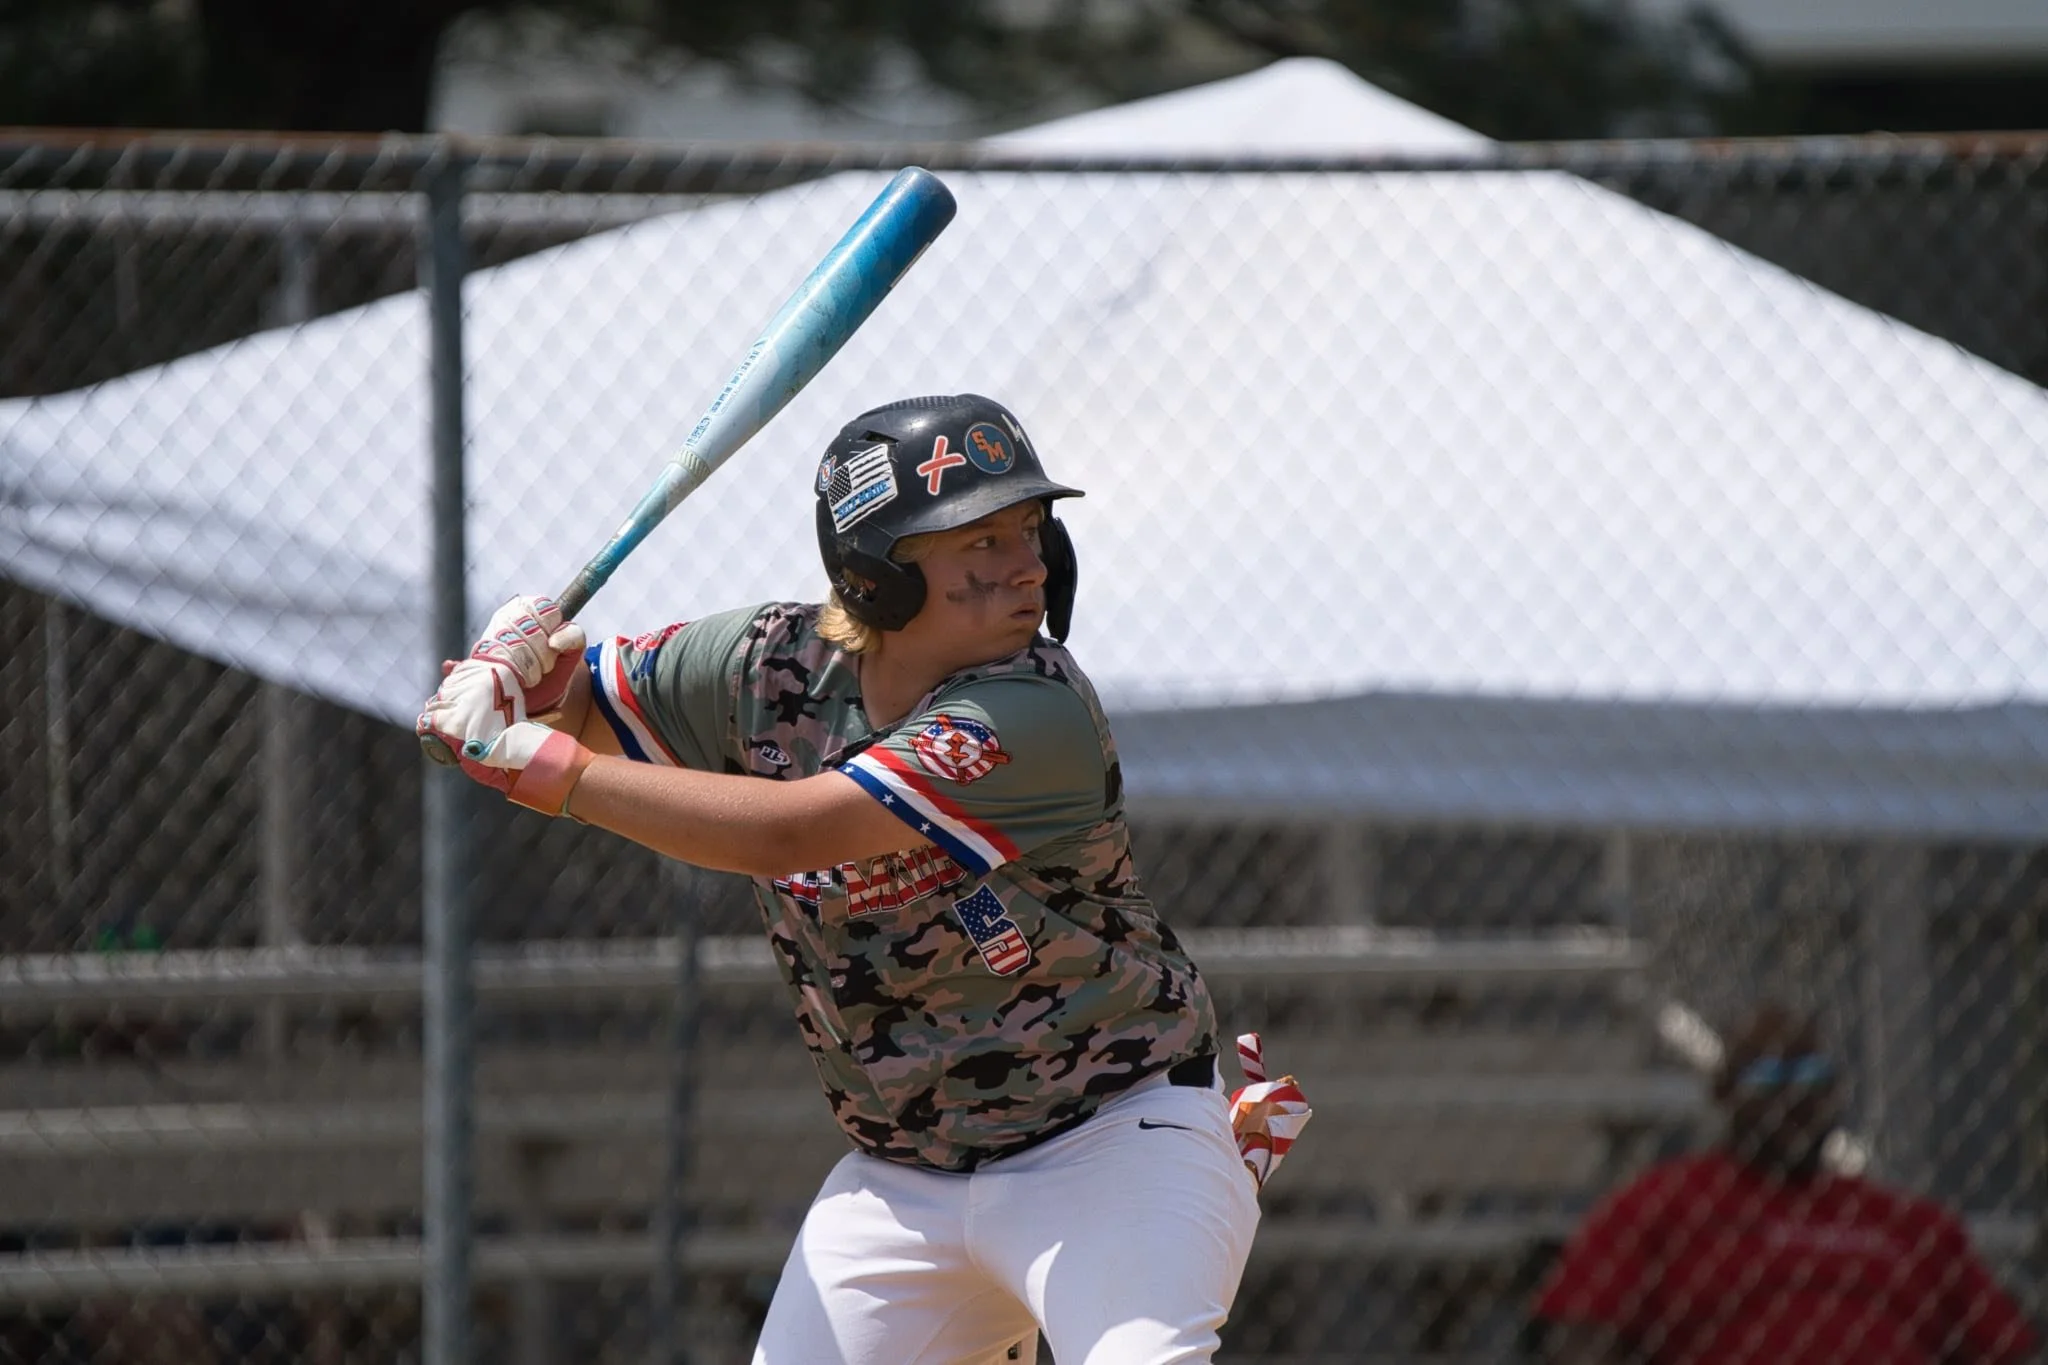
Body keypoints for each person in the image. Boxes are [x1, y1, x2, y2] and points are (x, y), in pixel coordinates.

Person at [419, 394, 1267, 1364]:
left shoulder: (1033, 711)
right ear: (876, 579)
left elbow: (795, 831)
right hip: (903, 1180)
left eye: (1029, 528)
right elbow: (573, 703)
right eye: (979, 541)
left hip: (1116, 1137)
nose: (1026, 561)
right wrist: (513, 666)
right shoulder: (767, 665)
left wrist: (550, 770)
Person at [1532, 1002, 2039, 1365]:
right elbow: (1583, 1337)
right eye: (1770, 1078)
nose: (1795, 1097)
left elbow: (2003, 1347)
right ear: (1725, 1094)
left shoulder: (1912, 1225)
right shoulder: (1660, 1205)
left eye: (1813, 1076)